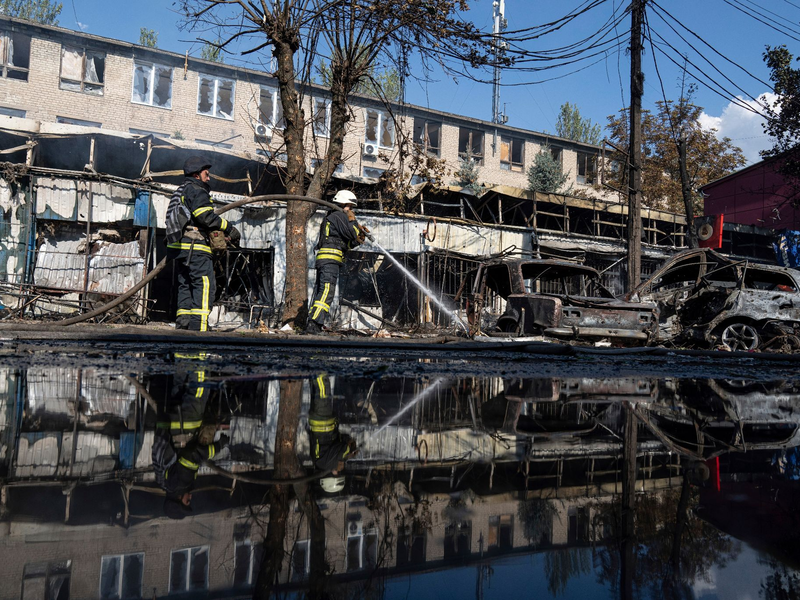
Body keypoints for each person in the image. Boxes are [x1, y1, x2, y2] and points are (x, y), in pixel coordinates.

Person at [166, 156, 241, 332]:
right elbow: (206, 217)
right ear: (196, 175)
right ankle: (199, 329)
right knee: (205, 284)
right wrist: (229, 228)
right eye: (206, 174)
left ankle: (184, 326)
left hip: (180, 249)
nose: (209, 178)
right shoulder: (196, 190)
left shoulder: (181, 190)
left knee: (186, 285)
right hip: (196, 247)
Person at [306, 190, 368, 334]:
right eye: (350, 207)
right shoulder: (339, 215)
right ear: (345, 204)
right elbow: (352, 232)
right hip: (329, 259)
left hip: (329, 259)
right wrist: (353, 221)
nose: (351, 210)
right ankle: (313, 324)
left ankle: (315, 323)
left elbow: (346, 244)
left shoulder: (334, 217)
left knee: (323, 292)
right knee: (326, 292)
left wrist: (358, 241)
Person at [308, 373, 357, 493]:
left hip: (323, 421)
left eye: (338, 473)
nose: (340, 469)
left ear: (330, 475)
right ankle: (311, 362)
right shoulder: (321, 461)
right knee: (317, 387)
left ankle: (317, 359)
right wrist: (350, 446)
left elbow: (342, 448)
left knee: (323, 388)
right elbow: (341, 440)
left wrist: (348, 453)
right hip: (321, 422)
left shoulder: (325, 464)